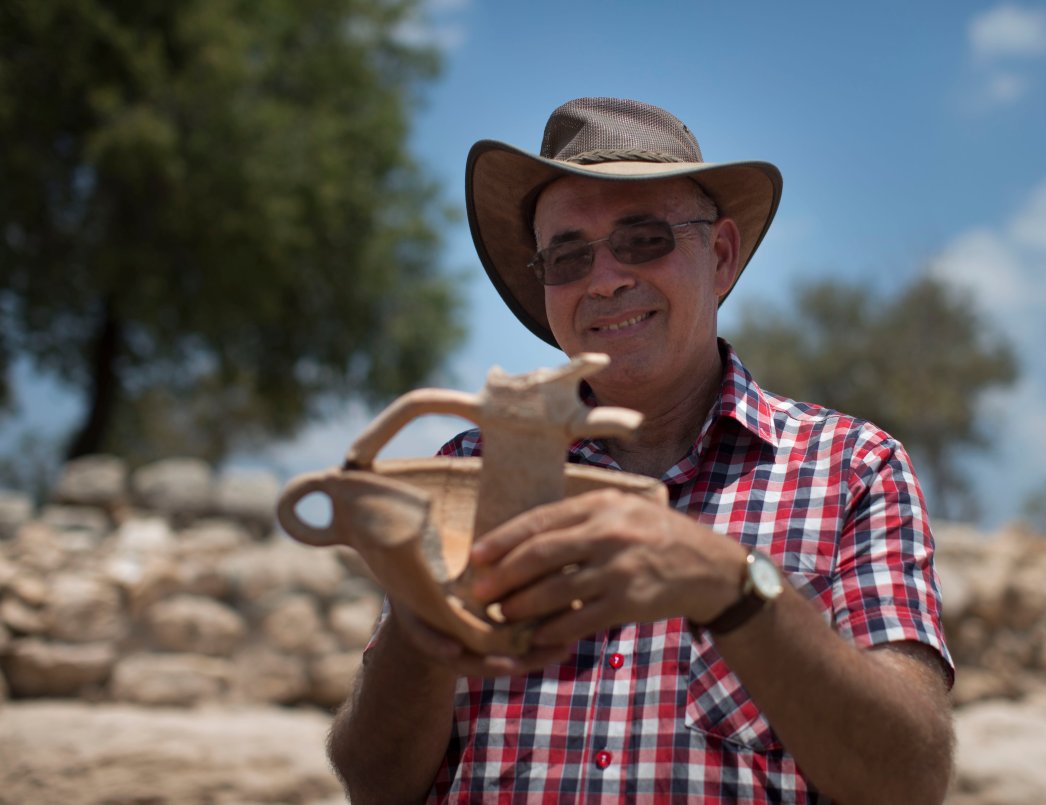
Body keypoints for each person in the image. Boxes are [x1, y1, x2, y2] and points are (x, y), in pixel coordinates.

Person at [328, 97, 955, 804]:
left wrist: (734, 586)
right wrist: (429, 615)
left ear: (719, 255)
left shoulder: (851, 468)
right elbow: (373, 781)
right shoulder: (469, 465)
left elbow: (911, 777)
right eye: (567, 255)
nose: (605, 279)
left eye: (644, 239)